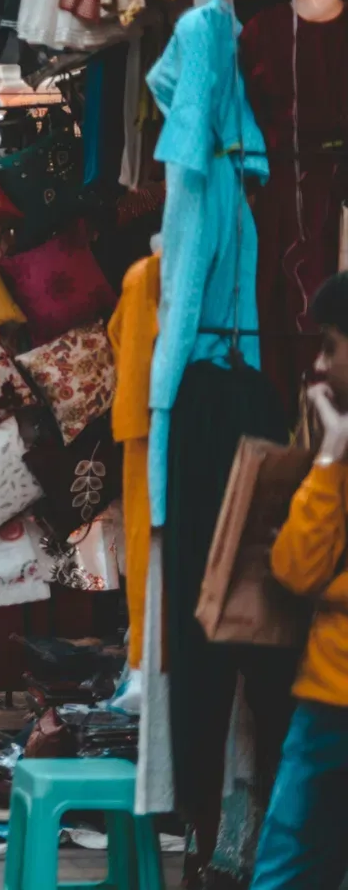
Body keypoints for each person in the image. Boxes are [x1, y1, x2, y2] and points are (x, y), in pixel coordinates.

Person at [252, 273, 348, 889]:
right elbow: (294, 567)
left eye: (331, 346)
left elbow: (296, 569)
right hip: (327, 693)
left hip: (332, 697)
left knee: (288, 868)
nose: (320, 363)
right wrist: (331, 454)